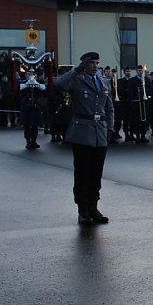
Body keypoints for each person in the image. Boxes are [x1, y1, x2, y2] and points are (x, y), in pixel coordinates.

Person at [55, 52, 114, 225]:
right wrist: (76, 70)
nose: (95, 66)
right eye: (91, 63)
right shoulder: (77, 80)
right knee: (82, 173)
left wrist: (110, 127)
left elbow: (109, 107)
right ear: (84, 65)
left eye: (97, 63)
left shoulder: (104, 81)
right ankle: (83, 210)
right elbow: (60, 84)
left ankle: (94, 207)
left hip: (100, 133)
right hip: (82, 132)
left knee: (96, 174)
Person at [20, 69, 46, 149]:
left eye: (32, 74)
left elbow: (43, 89)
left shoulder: (38, 83)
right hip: (26, 106)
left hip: (35, 106)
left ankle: (34, 140)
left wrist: (36, 84)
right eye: (28, 74)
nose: (30, 76)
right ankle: (28, 141)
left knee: (35, 125)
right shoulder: (23, 83)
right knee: (27, 125)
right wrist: (28, 84)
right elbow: (20, 91)